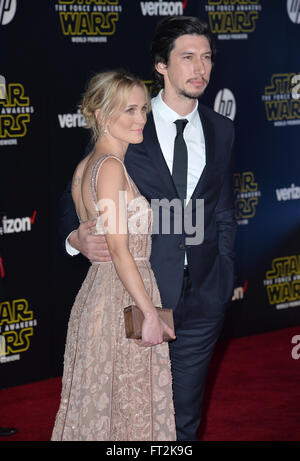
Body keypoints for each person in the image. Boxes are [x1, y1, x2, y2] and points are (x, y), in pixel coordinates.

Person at [61, 16, 236, 441]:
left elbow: (224, 209)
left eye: (207, 58)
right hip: (141, 293)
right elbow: (82, 189)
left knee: (184, 419)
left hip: (203, 296)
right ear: (161, 65)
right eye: (188, 57)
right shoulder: (130, 125)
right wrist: (74, 236)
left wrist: (225, 274)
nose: (200, 68)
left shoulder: (222, 129)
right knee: (137, 417)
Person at [51, 71, 176, 441]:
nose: (141, 119)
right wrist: (150, 313)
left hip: (101, 297)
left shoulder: (84, 167)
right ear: (103, 115)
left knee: (104, 414)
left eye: (143, 109)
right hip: (123, 300)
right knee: (130, 416)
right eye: (130, 110)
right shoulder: (110, 168)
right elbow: (120, 251)